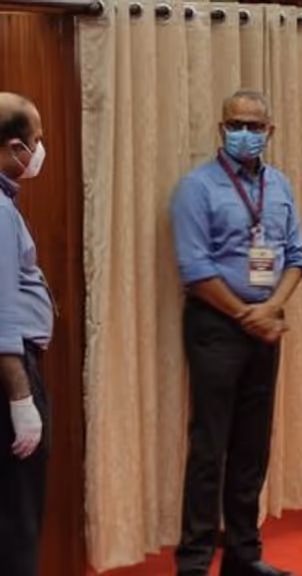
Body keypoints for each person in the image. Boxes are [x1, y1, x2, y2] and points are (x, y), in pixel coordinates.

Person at [170, 90, 302, 576]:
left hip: (266, 324)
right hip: (215, 325)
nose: (244, 133)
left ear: (270, 132)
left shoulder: (280, 185)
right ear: (221, 128)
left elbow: (297, 256)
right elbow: (194, 268)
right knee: (210, 446)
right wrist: (246, 314)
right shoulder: (197, 187)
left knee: (253, 445)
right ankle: (194, 562)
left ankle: (244, 556)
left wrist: (269, 308)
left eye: (254, 125)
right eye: (235, 124)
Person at [0, 92, 54, 576]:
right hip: (11, 375)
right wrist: (21, 400)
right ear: (16, 147)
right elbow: (1, 313)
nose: (39, 150)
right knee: (18, 514)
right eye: (36, 140)